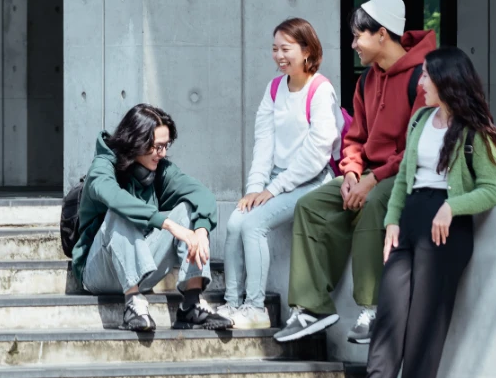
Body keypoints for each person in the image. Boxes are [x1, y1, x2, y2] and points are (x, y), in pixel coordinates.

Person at [316, 46, 496, 378]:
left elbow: (494, 190)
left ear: (446, 81)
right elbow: (405, 177)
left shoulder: (476, 132)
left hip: (446, 229)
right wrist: (391, 221)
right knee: (390, 312)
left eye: (426, 76)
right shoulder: (421, 120)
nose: (420, 83)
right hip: (410, 220)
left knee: (425, 321)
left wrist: (453, 206)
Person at [274, 0, 436, 345]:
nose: (353, 44)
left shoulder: (422, 78)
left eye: (357, 36)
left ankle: (374, 309)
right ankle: (312, 307)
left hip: (406, 174)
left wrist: (372, 179)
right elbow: (355, 139)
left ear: (382, 34)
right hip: (367, 173)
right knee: (310, 206)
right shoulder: (366, 82)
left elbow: (417, 147)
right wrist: (350, 173)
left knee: (373, 204)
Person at [217, 18, 343, 329]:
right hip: (276, 179)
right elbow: (264, 143)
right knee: (235, 222)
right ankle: (232, 304)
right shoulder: (274, 89)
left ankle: (256, 308)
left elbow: (317, 152)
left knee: (254, 225)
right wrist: (255, 187)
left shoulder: (320, 90)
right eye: (275, 49)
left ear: (307, 50)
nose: (278, 56)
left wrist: (273, 189)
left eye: (286, 49)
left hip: (312, 180)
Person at [72, 103, 232, 332]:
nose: (163, 153)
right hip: (99, 272)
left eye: (166, 146)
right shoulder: (103, 166)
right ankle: (133, 306)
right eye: (158, 147)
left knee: (188, 210)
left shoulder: (161, 170)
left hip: (142, 268)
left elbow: (202, 194)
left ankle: (192, 304)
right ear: (137, 141)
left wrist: (201, 231)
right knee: (120, 211)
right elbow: (113, 196)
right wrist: (167, 224)